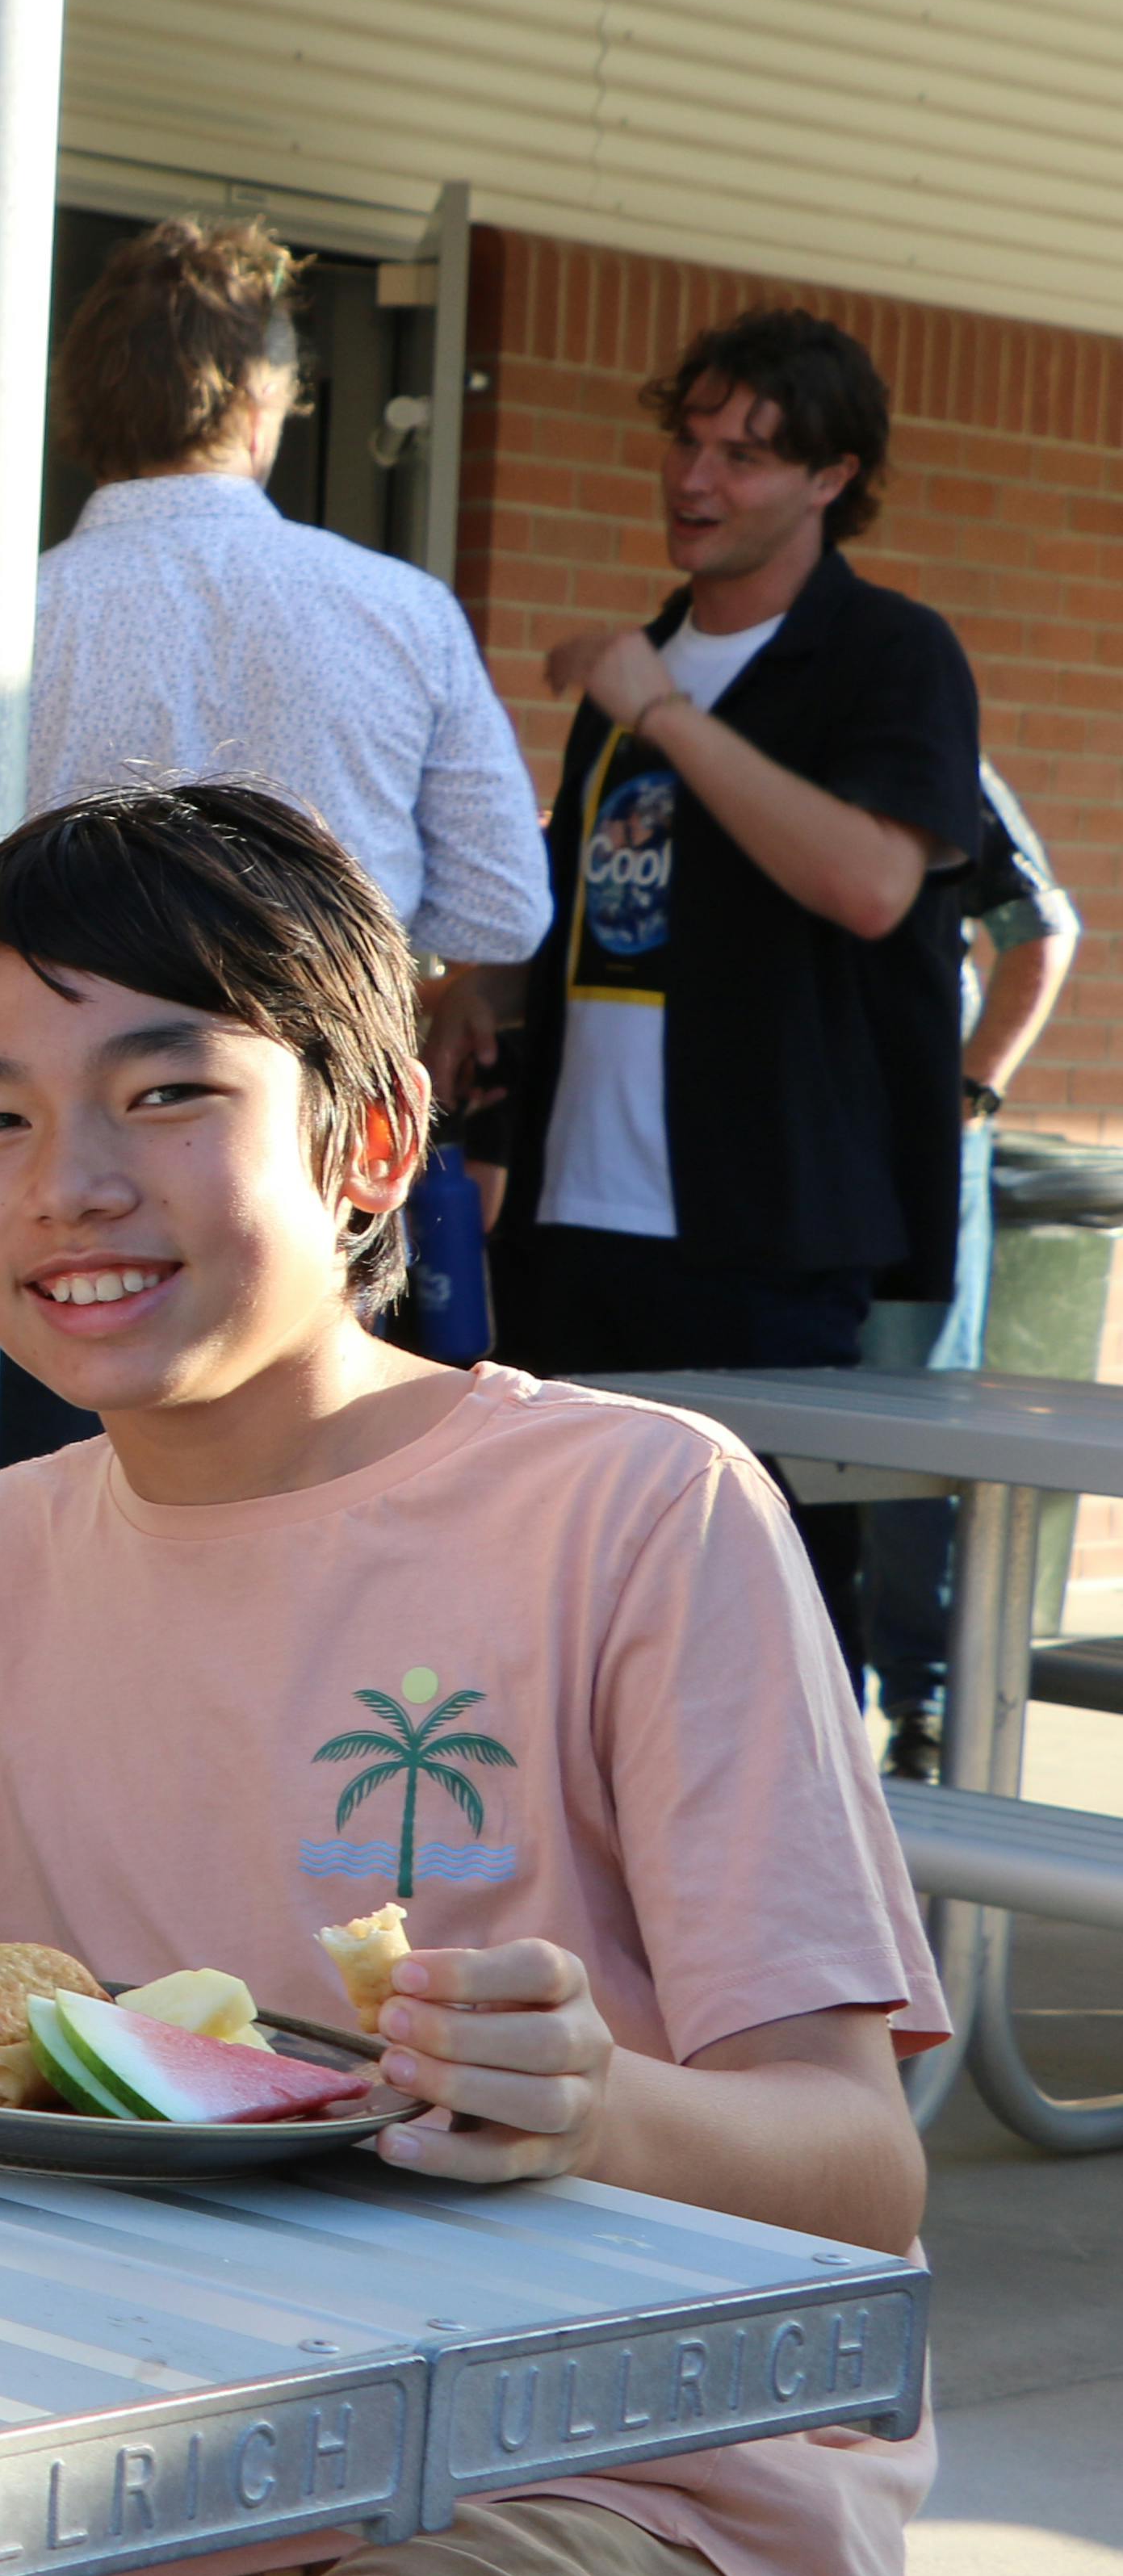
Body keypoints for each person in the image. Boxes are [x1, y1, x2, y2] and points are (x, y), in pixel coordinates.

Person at [0, 781, 938, 2576]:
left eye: (166, 1092)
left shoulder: (642, 1511)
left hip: (616, 2495)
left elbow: (862, 2175)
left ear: (371, 1140)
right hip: (156, 2482)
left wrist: (594, 2108)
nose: (70, 1177)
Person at [483, 309, 983, 1628]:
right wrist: (473, 995)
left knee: (756, 1632)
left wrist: (660, 715)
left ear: (832, 480)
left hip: (763, 1243)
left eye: (748, 455)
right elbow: (619, 923)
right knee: (566, 1620)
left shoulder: (886, 653)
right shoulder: (650, 663)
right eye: (689, 441)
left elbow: (873, 883)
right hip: (574, 1226)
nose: (697, 479)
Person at [26, 218, 549, 963]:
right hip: (319, 1059)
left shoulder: (10, 621)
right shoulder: (403, 611)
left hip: (67, 1054)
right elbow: (502, 910)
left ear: (79, 399)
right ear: (258, 405)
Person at [857, 756, 1080, 1760]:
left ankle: (922, 1703)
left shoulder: (931, 749)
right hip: (772, 1145)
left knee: (911, 1413)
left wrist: (971, 1092)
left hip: (917, 1144)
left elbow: (1041, 930)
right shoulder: (727, 729)